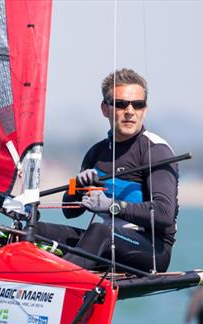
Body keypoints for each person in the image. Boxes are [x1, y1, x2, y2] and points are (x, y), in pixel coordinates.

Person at [38, 68, 179, 273]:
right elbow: (70, 212)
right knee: (37, 230)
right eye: (121, 104)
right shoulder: (96, 152)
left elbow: (164, 213)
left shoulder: (156, 150)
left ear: (145, 109)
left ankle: (57, 280)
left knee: (99, 231)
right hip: (107, 243)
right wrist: (75, 187)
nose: (130, 111)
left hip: (152, 250)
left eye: (137, 105)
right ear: (105, 109)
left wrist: (111, 206)